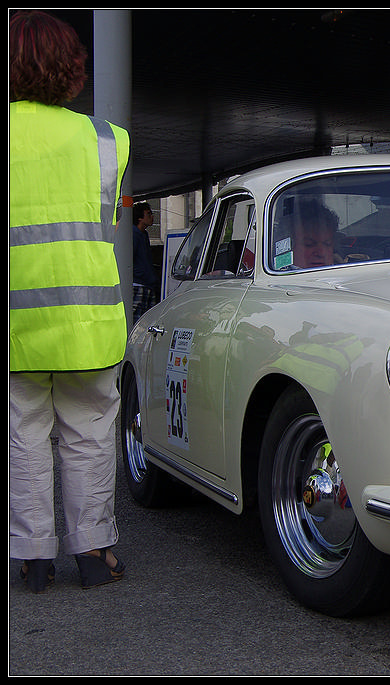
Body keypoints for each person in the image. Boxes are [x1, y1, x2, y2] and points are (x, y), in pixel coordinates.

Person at [9, 10, 130, 591]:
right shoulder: (109, 140)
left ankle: (33, 558)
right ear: (74, 69)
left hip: (16, 324)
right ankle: (94, 552)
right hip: (89, 318)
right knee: (89, 434)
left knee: (23, 434)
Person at [131, 201, 159, 324]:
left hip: (147, 284)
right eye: (148, 214)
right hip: (138, 284)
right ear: (140, 218)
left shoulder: (143, 234)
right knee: (137, 322)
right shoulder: (133, 234)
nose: (152, 217)